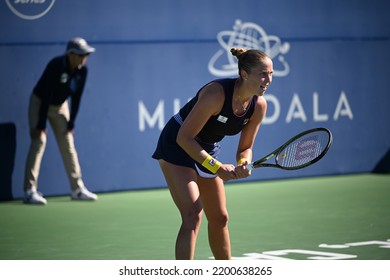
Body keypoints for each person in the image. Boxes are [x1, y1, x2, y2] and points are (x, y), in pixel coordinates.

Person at [152, 48, 273, 259]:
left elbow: (245, 148)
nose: (268, 79)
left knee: (220, 218)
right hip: (177, 145)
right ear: (244, 74)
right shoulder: (216, 94)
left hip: (206, 148)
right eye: (262, 73)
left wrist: (244, 163)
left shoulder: (258, 106)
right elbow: (184, 138)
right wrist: (218, 167)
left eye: (271, 74)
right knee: (192, 215)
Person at [23, 37, 98, 205]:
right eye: (80, 54)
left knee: (68, 143)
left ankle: (77, 189)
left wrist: (71, 123)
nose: (84, 57)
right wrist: (41, 124)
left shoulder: (83, 71)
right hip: (40, 102)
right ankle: (29, 191)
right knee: (39, 141)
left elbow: (77, 98)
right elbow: (47, 93)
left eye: (86, 54)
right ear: (70, 54)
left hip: (60, 107)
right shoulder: (56, 65)